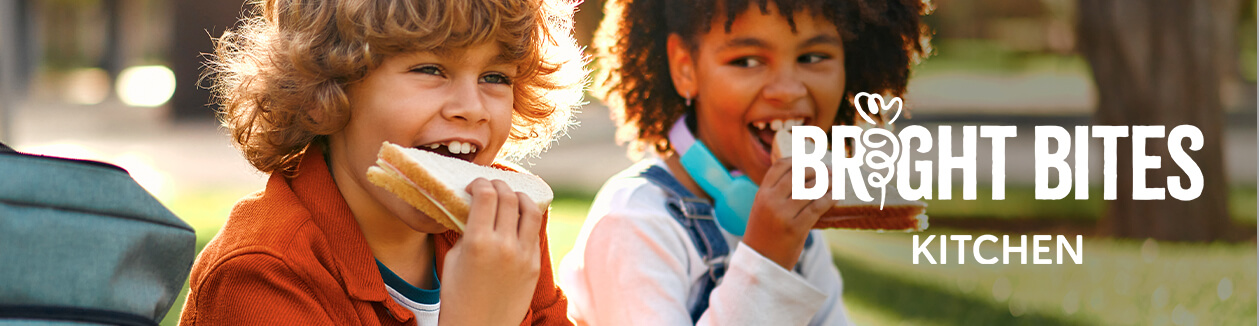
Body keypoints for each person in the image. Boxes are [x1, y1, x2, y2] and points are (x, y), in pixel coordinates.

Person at [179, 0, 586, 325]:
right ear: (324, 94)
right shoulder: (261, 272)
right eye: (430, 69)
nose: (473, 108)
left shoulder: (505, 223)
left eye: (496, 76)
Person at [558, 0, 930, 324]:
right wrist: (767, 260)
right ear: (685, 68)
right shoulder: (634, 224)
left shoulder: (798, 223)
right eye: (747, 61)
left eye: (813, 57)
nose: (787, 89)